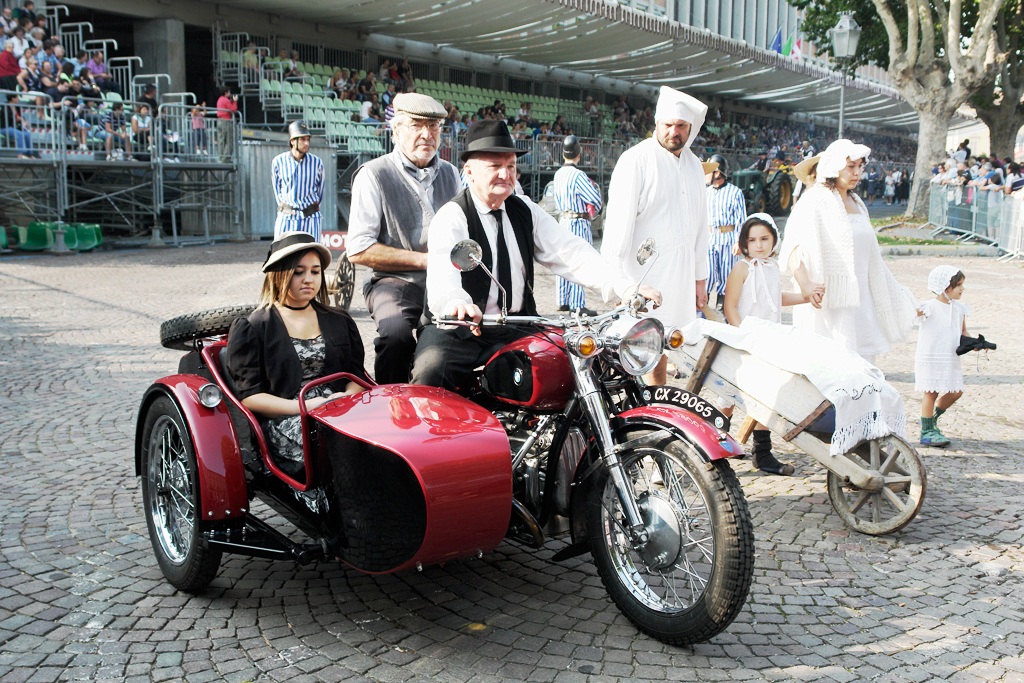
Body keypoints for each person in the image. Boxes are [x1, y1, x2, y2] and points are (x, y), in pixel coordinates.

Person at [410, 119, 661, 392]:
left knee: (573, 368)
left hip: (518, 325)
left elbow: (570, 251)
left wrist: (622, 286)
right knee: (430, 370)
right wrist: (456, 303)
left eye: (511, 166)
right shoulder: (452, 216)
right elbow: (443, 274)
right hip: (460, 331)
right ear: (469, 172)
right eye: (495, 166)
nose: (505, 174)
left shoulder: (526, 209)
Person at [225, 232, 369, 478]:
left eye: (315, 271)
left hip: (342, 407)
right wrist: (306, 406)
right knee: (338, 443)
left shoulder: (340, 319)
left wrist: (344, 398)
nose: (309, 279)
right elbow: (250, 397)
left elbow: (356, 375)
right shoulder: (254, 326)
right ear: (280, 274)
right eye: (299, 272)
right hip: (287, 417)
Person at [347, 93, 460, 384]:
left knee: (466, 335)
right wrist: (425, 261)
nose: (427, 134)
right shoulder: (373, 174)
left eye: (433, 126)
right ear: (396, 130)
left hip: (445, 280)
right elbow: (358, 249)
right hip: (393, 281)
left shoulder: (451, 174)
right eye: (416, 125)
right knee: (395, 335)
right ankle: (389, 401)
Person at [601, 85, 709, 385]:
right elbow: (617, 228)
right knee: (638, 348)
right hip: (644, 276)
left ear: (691, 128)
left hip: (682, 277)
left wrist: (700, 279)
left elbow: (701, 227)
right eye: (668, 125)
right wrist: (619, 283)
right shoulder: (635, 160)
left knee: (666, 345)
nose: (674, 132)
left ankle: (656, 399)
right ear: (657, 123)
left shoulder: (694, 165)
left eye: (681, 126)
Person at [779, 139, 916, 365]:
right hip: (829, 300)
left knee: (862, 365)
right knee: (831, 364)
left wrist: (898, 294)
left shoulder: (858, 203)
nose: (857, 172)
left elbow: (871, 256)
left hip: (861, 300)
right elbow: (794, 246)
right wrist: (806, 284)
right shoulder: (814, 200)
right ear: (834, 166)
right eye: (851, 166)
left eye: (860, 166)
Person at [722, 214, 819, 476]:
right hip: (744, 340)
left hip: (769, 340)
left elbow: (776, 298)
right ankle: (715, 444)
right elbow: (730, 305)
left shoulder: (772, 267)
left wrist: (806, 297)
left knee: (765, 394)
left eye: (764, 239)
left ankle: (762, 452)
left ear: (774, 240)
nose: (759, 245)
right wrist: (741, 336)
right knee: (728, 394)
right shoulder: (742, 268)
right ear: (744, 243)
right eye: (752, 240)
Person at [914, 267, 989, 448]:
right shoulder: (929, 307)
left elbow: (963, 332)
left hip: (950, 357)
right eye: (959, 285)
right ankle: (927, 431)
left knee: (956, 391)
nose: (963, 289)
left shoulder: (960, 309)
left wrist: (975, 343)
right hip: (931, 356)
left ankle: (929, 419)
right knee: (931, 392)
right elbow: (909, 314)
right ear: (945, 286)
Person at [552, 134, 603, 315]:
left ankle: (563, 300)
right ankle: (577, 304)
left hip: (563, 220)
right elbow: (595, 198)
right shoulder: (578, 175)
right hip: (578, 221)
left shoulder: (558, 174)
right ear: (579, 154)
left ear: (563, 154)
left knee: (563, 260)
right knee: (580, 261)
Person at [705, 153, 746, 310]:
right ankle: (703, 310)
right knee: (707, 275)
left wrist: (738, 241)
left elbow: (740, 219)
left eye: (710, 171)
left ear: (718, 172)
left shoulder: (735, 192)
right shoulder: (706, 192)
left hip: (727, 239)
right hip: (709, 238)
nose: (707, 175)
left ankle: (723, 311)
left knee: (726, 275)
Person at [272, 120, 325, 239]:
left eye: (308, 139)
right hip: (286, 217)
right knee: (281, 250)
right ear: (292, 141)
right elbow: (277, 190)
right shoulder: (278, 162)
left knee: (312, 250)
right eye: (302, 139)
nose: (306, 143)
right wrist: (286, 207)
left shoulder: (317, 163)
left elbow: (320, 191)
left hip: (310, 217)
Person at [215, 86, 238, 162]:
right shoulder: (225, 100)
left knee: (221, 141)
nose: (230, 93)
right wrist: (234, 101)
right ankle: (226, 159)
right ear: (226, 93)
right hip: (226, 121)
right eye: (229, 92)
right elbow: (233, 109)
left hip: (219, 120)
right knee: (229, 141)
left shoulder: (219, 100)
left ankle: (221, 158)